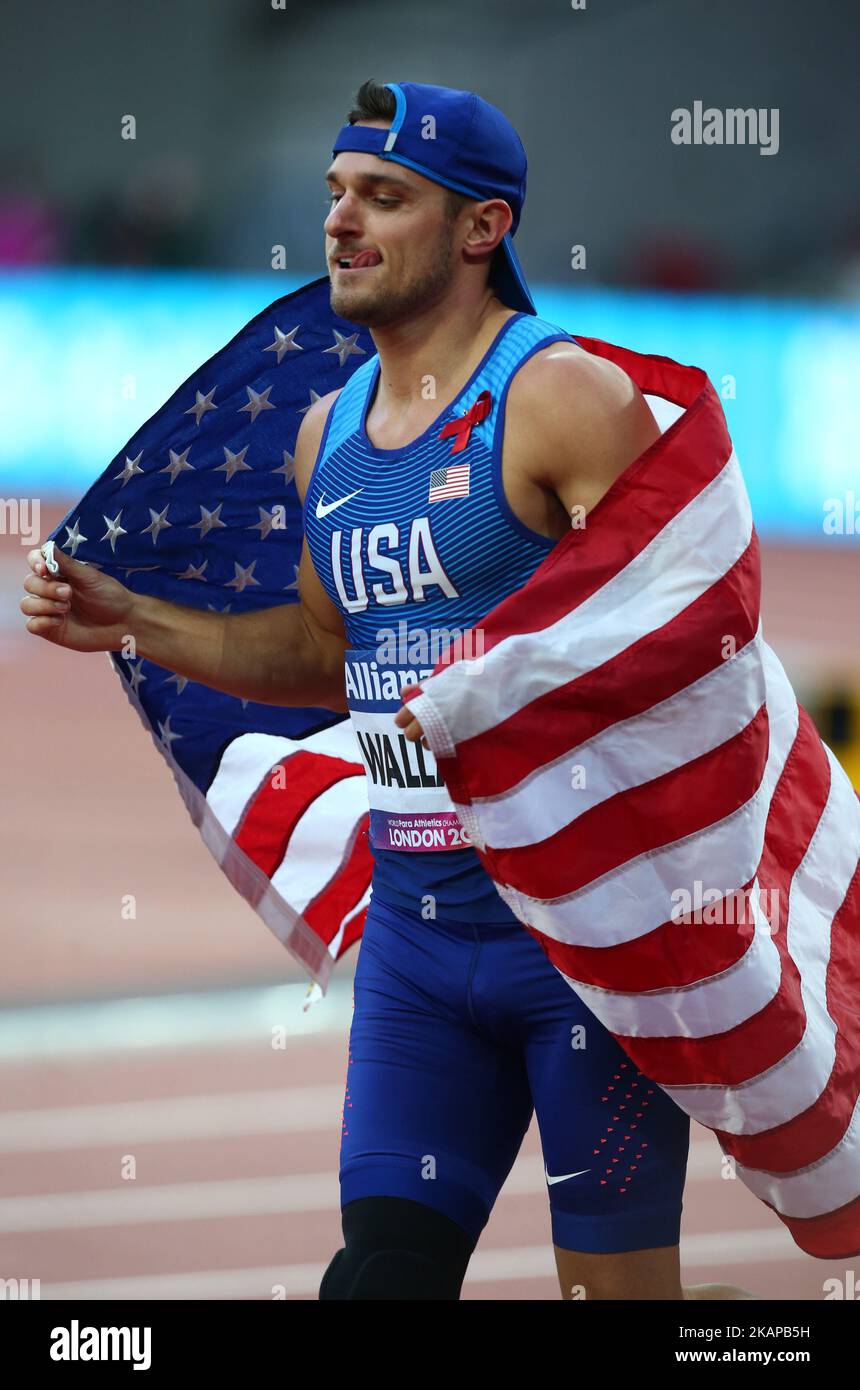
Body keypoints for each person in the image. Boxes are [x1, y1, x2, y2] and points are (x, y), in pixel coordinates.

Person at [22, 79, 754, 1302]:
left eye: (384, 196)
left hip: (578, 947)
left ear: (481, 228)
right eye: (335, 194)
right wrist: (134, 621)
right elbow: (323, 654)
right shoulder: (327, 431)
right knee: (376, 1284)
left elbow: (686, 633)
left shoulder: (560, 399)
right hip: (418, 948)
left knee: (620, 1301)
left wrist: (498, 699)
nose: (341, 223)